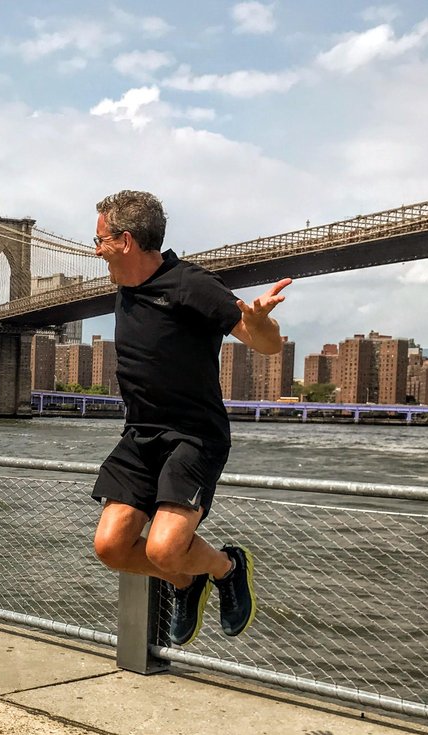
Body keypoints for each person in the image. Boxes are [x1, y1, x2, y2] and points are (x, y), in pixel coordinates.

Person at [89, 190, 291, 646]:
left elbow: (266, 345)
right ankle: (186, 581)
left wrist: (259, 323)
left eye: (99, 240)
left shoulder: (190, 284)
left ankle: (227, 567)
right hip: (140, 435)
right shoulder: (125, 286)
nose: (96, 251)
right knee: (112, 547)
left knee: (163, 547)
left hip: (193, 436)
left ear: (124, 241)